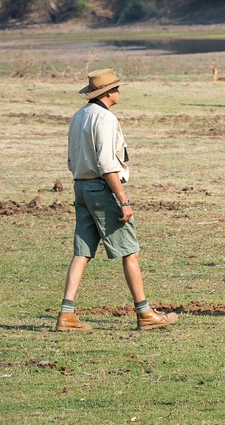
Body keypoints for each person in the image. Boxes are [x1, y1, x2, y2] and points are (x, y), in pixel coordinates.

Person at [57, 68, 178, 331]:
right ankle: (144, 313)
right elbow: (106, 163)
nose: (119, 91)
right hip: (103, 189)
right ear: (109, 92)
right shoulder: (106, 119)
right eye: (117, 88)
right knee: (130, 251)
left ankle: (66, 314)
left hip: (81, 186)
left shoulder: (78, 116)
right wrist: (123, 200)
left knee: (82, 252)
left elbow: (71, 158)